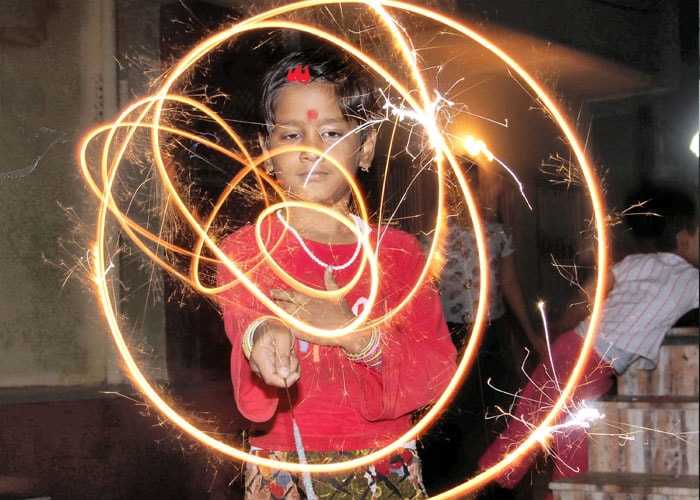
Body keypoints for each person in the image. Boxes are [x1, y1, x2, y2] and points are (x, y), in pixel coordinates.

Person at [216, 46, 457, 499]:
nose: (310, 152)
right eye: (291, 136)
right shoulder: (247, 249)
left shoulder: (399, 254)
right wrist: (265, 335)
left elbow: (435, 367)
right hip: (285, 467)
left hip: (385, 465)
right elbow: (244, 320)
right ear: (265, 152)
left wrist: (355, 336)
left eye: (330, 132)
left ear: (365, 147)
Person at [477, 184, 699, 496]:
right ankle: (491, 489)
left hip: (578, 354)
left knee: (545, 432)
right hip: (586, 361)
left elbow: (589, 296)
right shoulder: (692, 282)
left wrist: (559, 325)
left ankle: (497, 487)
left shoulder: (636, 264)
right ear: (684, 238)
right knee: (557, 438)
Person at [418, 164, 547, 493]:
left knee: (500, 408)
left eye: (473, 187)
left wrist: (531, 334)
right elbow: (421, 292)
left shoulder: (496, 234)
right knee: (450, 412)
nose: (468, 194)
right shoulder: (433, 238)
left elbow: (510, 283)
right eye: (459, 188)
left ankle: (494, 484)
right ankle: (442, 484)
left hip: (490, 332)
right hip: (448, 334)